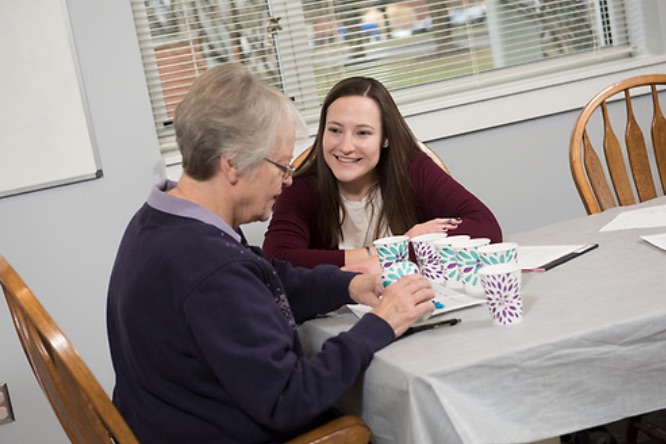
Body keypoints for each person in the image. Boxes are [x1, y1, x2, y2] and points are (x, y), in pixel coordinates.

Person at [106, 64, 435, 444]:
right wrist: (381, 322)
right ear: (231, 164)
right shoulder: (213, 270)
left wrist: (351, 285)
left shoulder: (161, 220)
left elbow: (263, 279)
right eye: (281, 165)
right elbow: (289, 399)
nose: (289, 179)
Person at [262, 76, 502, 271]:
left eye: (363, 133)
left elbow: (486, 230)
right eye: (335, 130)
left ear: (385, 138)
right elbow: (279, 260)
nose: (345, 146)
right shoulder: (301, 188)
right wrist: (392, 250)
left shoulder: (412, 170)